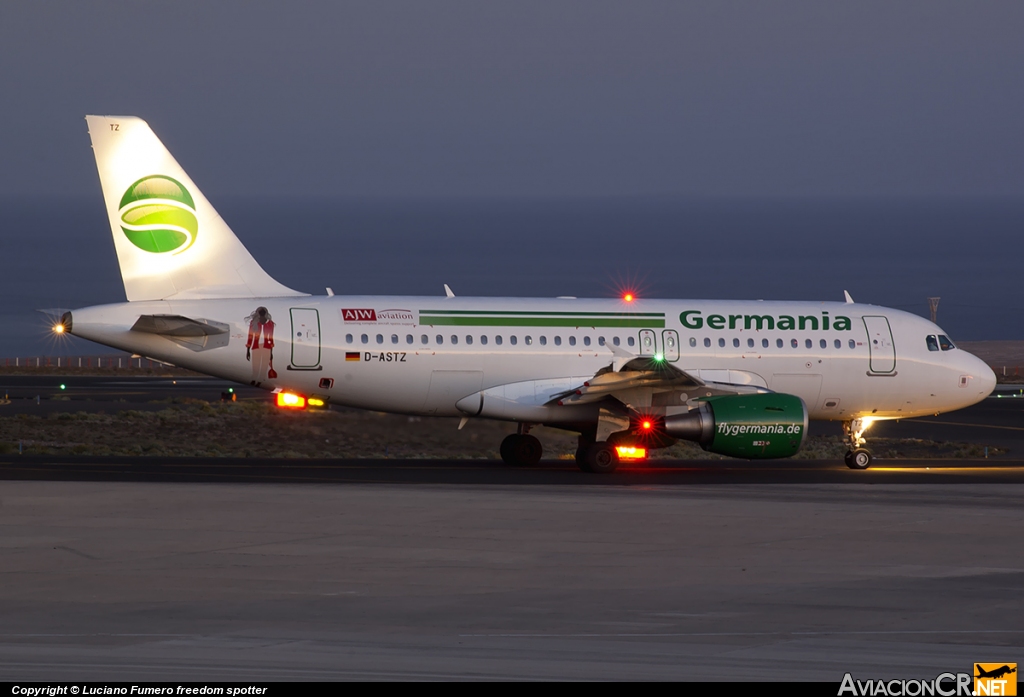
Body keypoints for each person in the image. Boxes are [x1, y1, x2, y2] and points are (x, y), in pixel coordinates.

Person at [245, 306, 275, 386]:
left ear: (266, 313)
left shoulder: (270, 324)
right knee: (255, 364)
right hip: (256, 346)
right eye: (260, 312)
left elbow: (271, 337)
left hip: (266, 347)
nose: (262, 314)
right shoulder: (254, 323)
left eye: (263, 312)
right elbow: (250, 336)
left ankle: (260, 379)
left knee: (264, 365)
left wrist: (271, 351)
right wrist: (248, 349)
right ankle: (254, 378)